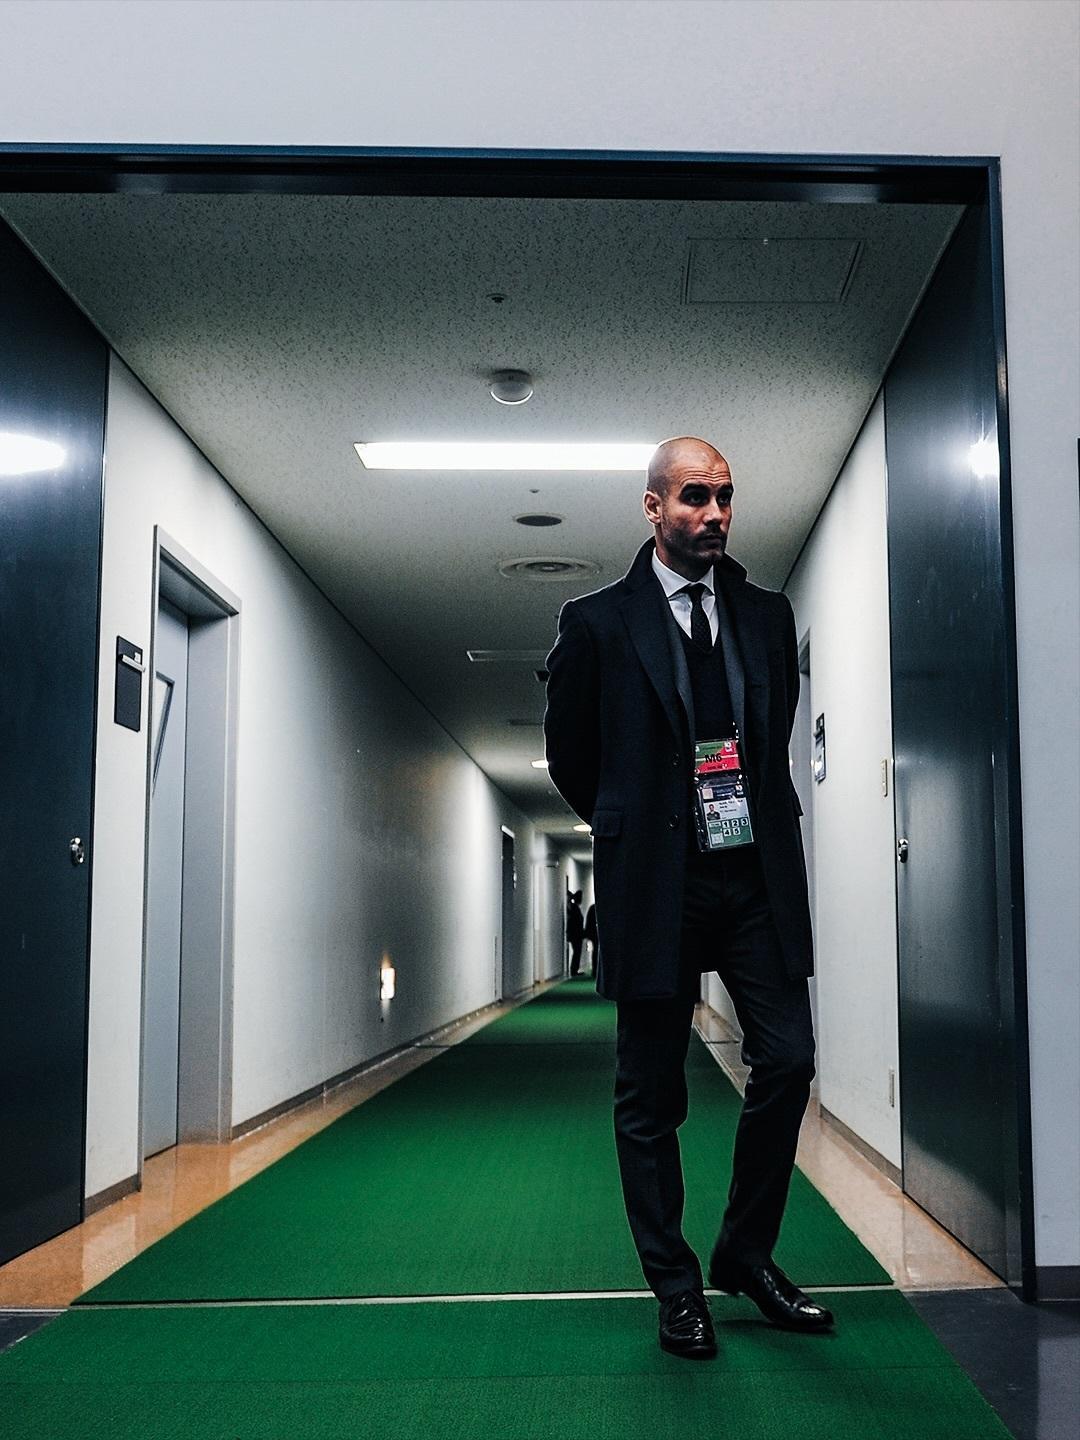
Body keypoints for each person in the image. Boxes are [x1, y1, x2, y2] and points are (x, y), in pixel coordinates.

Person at [544, 437, 831, 1360]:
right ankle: (675, 1286)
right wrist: (634, 825)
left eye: (725, 498)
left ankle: (744, 1254)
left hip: (752, 877)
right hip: (655, 885)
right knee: (651, 1094)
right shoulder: (596, 622)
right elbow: (571, 757)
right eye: (695, 497)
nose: (714, 515)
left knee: (788, 1058)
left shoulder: (766, 614)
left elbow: (769, 739)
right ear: (653, 507)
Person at [566, 890, 585, 975]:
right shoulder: (574, 908)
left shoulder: (574, 907)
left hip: (576, 934)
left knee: (577, 952)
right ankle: (574, 970)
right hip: (576, 935)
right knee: (577, 952)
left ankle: (574, 969)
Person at [583, 901, 598, 974]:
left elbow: (588, 922)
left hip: (593, 934)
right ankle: (595, 969)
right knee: (596, 951)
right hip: (595, 934)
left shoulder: (592, 908)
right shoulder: (594, 908)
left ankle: (595, 969)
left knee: (595, 951)